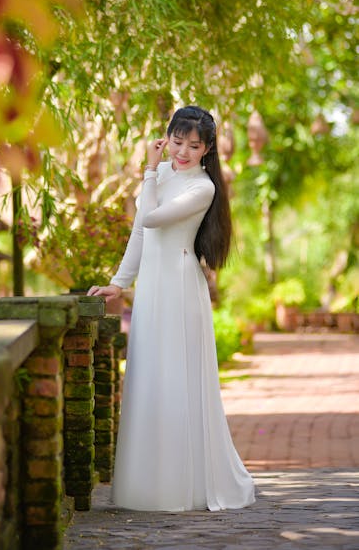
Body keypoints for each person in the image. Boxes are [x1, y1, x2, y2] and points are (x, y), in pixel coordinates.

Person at [88, 104, 255, 512]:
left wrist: (148, 171)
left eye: (192, 145)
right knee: (149, 378)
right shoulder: (161, 176)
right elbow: (138, 238)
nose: (181, 151)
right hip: (152, 289)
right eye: (177, 141)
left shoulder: (202, 188)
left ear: (207, 150)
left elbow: (152, 219)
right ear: (168, 137)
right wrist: (118, 284)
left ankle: (183, 487)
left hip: (180, 290)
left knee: (177, 381)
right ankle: (147, 487)